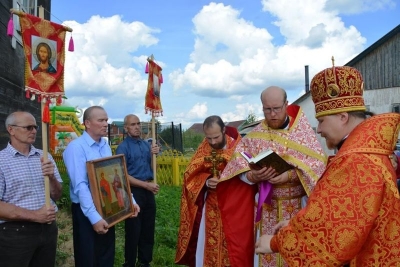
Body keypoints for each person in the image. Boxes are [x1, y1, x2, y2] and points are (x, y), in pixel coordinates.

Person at [255, 64, 400, 266]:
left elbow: (334, 236)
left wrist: (274, 242)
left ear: (343, 117)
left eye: (322, 121)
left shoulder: (357, 160)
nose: (319, 130)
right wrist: (294, 225)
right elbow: (343, 218)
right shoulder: (367, 151)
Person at [220, 86, 326, 267]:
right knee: (264, 257)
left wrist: (290, 175)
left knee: (293, 256)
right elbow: (236, 167)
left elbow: (317, 167)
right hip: (265, 209)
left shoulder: (302, 132)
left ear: (286, 104)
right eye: (267, 109)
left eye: (277, 108)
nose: (272, 114)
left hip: (295, 207)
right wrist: (252, 176)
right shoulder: (255, 135)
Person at [176, 115, 256, 267]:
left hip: (235, 208)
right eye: (209, 138)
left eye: (216, 137)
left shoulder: (240, 147)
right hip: (211, 208)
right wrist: (206, 181)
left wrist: (227, 181)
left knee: (234, 247)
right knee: (208, 246)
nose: (212, 142)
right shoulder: (204, 148)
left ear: (224, 130)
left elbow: (248, 175)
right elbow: (190, 174)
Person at [63, 106, 139, 267]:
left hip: (107, 207)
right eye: (101, 120)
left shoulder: (104, 145)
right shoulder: (76, 148)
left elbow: (114, 175)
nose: (106, 124)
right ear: (87, 123)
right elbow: (80, 186)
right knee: (88, 258)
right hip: (86, 212)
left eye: (106, 120)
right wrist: (94, 217)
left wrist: (129, 201)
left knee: (106, 256)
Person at [0, 111, 63, 267]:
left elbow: (57, 194)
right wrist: (35, 215)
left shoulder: (44, 157)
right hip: (15, 233)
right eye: (28, 127)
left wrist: (52, 178)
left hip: (48, 230)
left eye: (35, 127)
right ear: (11, 130)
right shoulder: (1, 161)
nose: (34, 131)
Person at [116, 114, 160, 267]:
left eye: (138, 123)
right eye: (133, 124)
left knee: (148, 228)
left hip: (148, 191)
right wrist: (146, 185)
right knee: (134, 230)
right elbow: (122, 174)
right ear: (126, 128)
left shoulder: (146, 145)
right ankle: (129, 262)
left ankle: (144, 261)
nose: (136, 127)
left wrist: (154, 155)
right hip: (133, 192)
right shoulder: (123, 147)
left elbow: (152, 169)